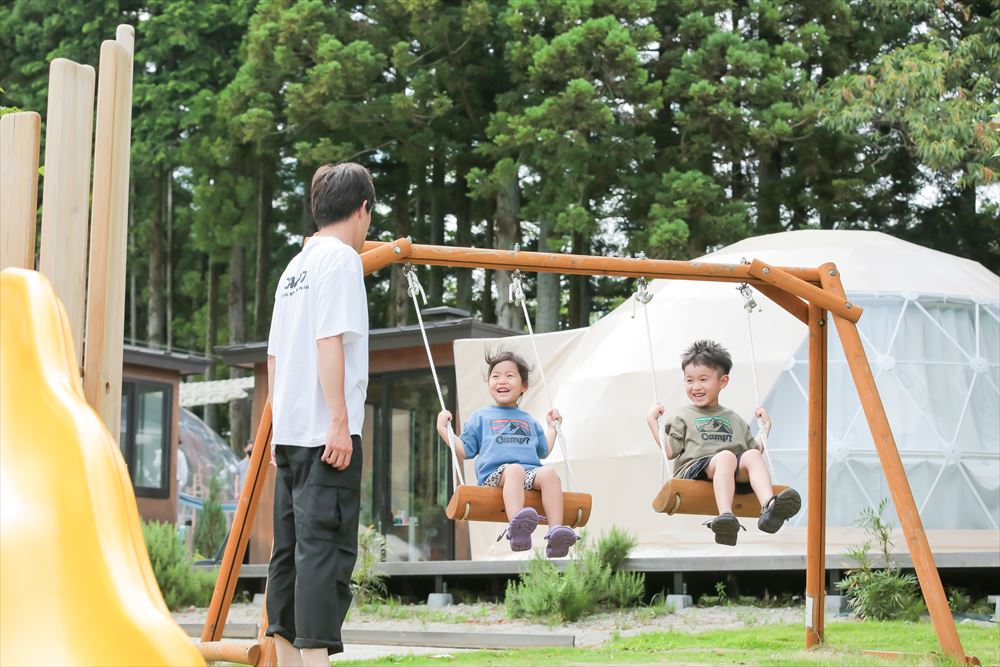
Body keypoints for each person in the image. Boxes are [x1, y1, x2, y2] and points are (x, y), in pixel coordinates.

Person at [265, 162, 373, 666]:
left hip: (288, 432)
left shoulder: (296, 265)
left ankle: (286, 661)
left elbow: (274, 356)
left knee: (289, 553)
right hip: (325, 433)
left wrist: (272, 431)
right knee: (324, 552)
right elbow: (329, 340)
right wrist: (338, 420)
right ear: (362, 210)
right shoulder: (341, 260)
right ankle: (315, 664)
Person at [647, 339, 800, 546]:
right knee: (726, 457)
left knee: (752, 456)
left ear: (723, 382)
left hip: (730, 472)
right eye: (689, 380)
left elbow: (752, 452)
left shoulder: (735, 419)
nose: (696, 387)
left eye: (703, 379)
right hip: (695, 470)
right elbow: (669, 451)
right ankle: (726, 517)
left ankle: (770, 507)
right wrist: (652, 422)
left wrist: (765, 429)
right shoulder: (683, 415)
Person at [436, 350, 578, 558]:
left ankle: (556, 532)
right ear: (489, 384)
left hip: (528, 474)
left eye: (510, 376)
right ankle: (517, 527)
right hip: (495, 476)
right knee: (515, 470)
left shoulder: (528, 419)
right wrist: (443, 430)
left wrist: (552, 428)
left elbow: (543, 450)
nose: (502, 380)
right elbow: (465, 450)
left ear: (524, 386)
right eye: (496, 376)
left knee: (548, 474)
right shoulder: (481, 417)